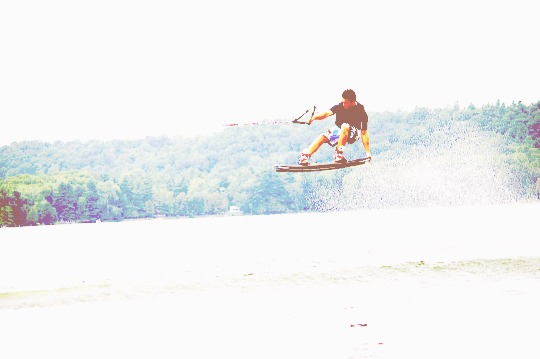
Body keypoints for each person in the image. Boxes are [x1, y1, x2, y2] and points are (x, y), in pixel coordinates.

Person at [298, 89, 371, 165]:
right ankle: (305, 157)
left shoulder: (360, 110)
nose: (343, 104)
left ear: (353, 102)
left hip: (354, 133)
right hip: (341, 131)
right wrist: (313, 118)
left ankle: (338, 154)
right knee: (324, 136)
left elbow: (364, 133)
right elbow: (326, 114)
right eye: (343, 102)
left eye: (346, 102)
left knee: (345, 126)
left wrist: (368, 152)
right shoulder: (340, 106)